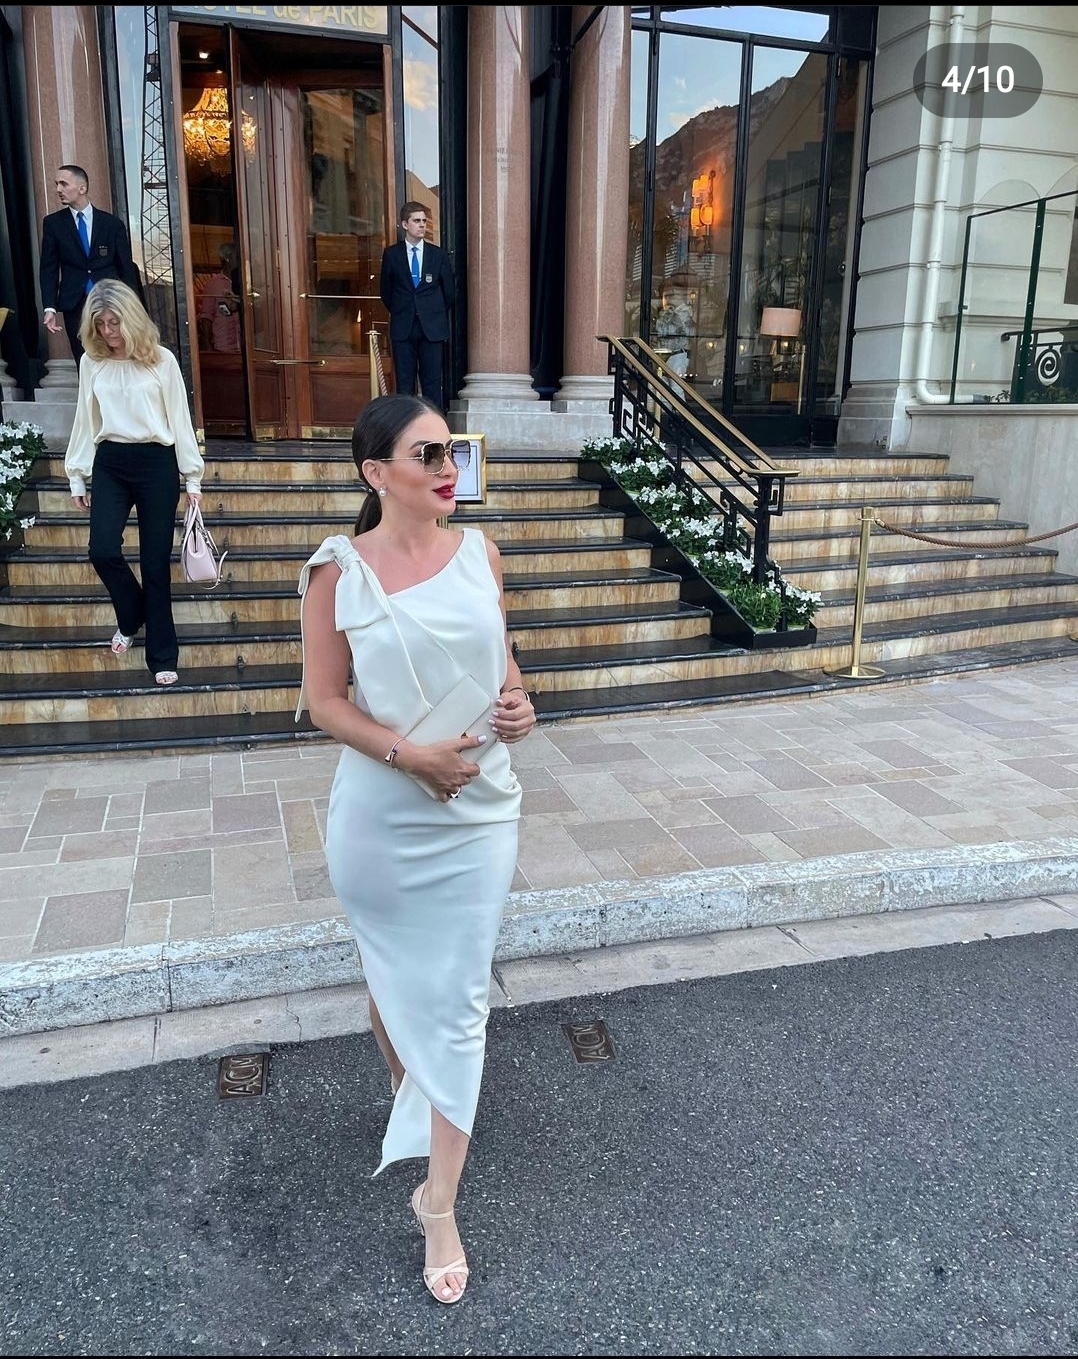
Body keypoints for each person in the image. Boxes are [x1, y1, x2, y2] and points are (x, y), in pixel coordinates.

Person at [296, 393, 535, 1305]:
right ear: (376, 471)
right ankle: (423, 1091)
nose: (448, 468)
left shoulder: (481, 552)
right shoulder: (337, 573)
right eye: (427, 453)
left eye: (452, 451)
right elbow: (326, 702)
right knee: (393, 985)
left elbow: (504, 664)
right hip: (383, 814)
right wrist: (410, 754)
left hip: (479, 810)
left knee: (460, 999)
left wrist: (521, 703)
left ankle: (438, 1201)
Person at [64, 279, 204, 686]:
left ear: (132, 319)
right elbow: (85, 419)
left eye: (115, 322)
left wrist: (192, 478)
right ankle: (132, 615)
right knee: (102, 549)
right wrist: (77, 475)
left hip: (157, 463)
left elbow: (180, 420)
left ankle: (162, 656)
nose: (109, 332)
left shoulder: (161, 360)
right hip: (111, 462)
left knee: (155, 564)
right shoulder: (92, 362)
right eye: (101, 324)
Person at [39, 165, 139, 365]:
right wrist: (49, 307)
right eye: (56, 184)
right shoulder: (53, 223)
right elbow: (49, 268)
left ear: (82, 188)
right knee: (84, 359)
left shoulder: (112, 224)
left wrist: (133, 304)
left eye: (64, 184)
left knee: (116, 356)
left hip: (111, 301)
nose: (58, 189)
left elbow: (126, 268)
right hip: (75, 304)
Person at [379, 202, 455, 411]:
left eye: (424, 221)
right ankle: (407, 425)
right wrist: (402, 310)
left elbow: (448, 291)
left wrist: (432, 312)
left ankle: (433, 423)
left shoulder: (437, 254)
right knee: (405, 382)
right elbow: (386, 291)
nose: (422, 225)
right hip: (404, 326)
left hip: (432, 328)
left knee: (432, 382)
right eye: (417, 221)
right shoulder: (392, 254)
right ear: (405, 224)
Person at [195, 243, 241, 353]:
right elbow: (207, 316)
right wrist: (207, 344)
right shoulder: (213, 284)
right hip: (223, 347)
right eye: (237, 256)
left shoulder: (245, 282)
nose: (240, 260)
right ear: (227, 258)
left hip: (246, 347)